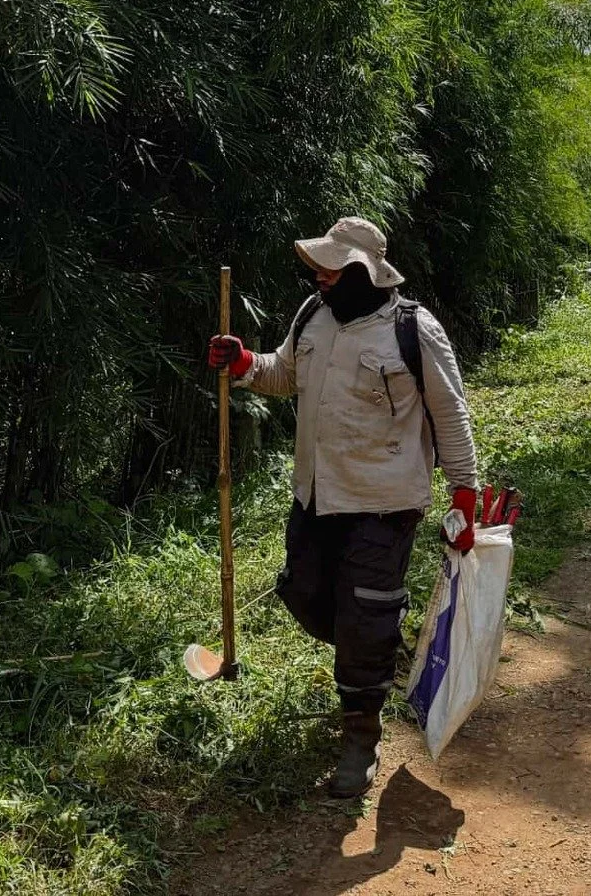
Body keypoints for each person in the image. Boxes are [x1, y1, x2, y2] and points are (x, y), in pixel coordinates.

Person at [206, 216, 480, 798]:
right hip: (316, 495)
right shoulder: (313, 316)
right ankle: (374, 647)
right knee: (303, 593)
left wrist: (465, 496)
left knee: (362, 616)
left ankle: (361, 733)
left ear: (364, 271)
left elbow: (451, 415)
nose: (321, 277)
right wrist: (243, 364)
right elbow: (285, 374)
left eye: (332, 268)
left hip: (384, 503)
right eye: (320, 268)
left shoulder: (413, 329)